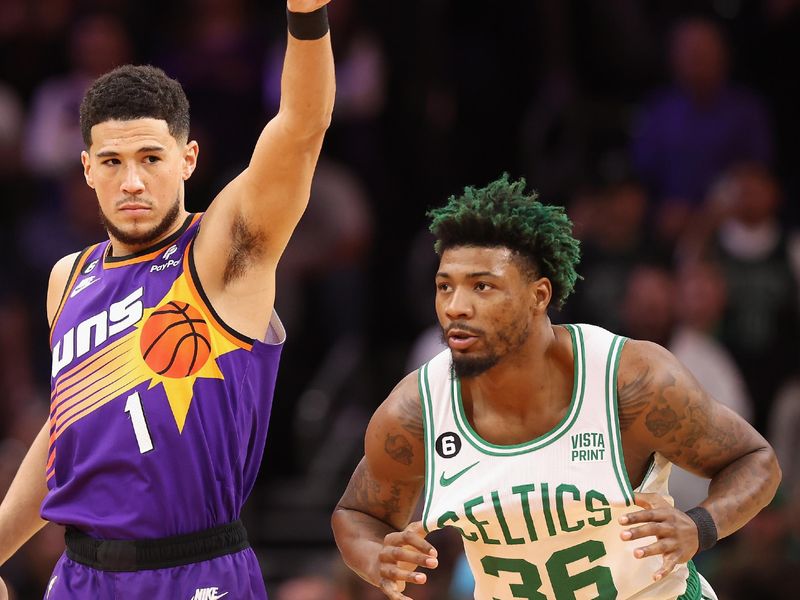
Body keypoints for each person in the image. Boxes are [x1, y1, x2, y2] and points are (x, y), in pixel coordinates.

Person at [0, 1, 335, 598]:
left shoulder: (224, 251)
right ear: (86, 170)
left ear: (188, 159)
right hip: (81, 577)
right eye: (112, 162)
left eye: (151, 158)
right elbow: (64, 429)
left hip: (199, 572)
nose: (132, 181)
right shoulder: (66, 277)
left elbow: (302, 128)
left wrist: (306, 13)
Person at [331, 175, 781, 600]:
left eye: (482, 286)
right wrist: (379, 558)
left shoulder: (630, 379)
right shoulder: (418, 411)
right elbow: (357, 515)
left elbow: (755, 461)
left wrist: (700, 526)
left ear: (539, 296)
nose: (456, 307)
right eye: (444, 286)